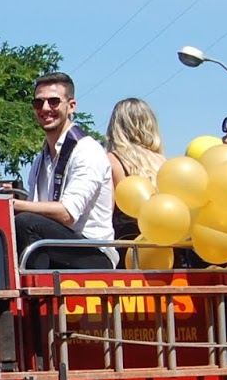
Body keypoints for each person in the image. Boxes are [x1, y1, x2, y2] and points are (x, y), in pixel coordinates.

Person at [14, 72, 114, 269]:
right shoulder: (41, 159)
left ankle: (36, 294)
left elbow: (67, 214)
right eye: (38, 103)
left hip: (94, 253)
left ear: (71, 106)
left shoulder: (87, 150)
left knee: (25, 221)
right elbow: (37, 211)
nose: (44, 109)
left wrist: (11, 204)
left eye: (53, 102)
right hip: (59, 245)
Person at [104, 98, 167, 267]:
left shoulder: (112, 160)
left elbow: (105, 212)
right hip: (166, 250)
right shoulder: (163, 162)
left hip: (128, 250)